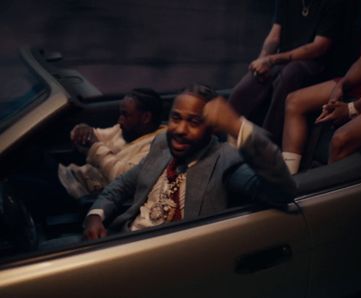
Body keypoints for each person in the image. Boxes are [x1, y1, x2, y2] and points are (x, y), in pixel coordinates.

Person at [83, 84, 296, 239]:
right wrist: (96, 215)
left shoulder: (225, 162)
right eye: (176, 118)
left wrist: (238, 127)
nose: (181, 130)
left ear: (212, 127)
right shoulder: (161, 145)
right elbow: (121, 185)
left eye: (194, 122)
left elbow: (281, 192)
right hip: (124, 239)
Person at [281, 0, 361, 175]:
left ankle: (323, 196)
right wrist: (342, 85)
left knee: (340, 139)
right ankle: (288, 179)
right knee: (294, 101)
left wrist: (353, 108)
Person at [229, 0, 344, 144]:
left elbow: (319, 46)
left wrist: (272, 60)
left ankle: (266, 144)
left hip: (317, 64)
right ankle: (227, 139)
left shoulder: (334, 3)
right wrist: (261, 61)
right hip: (283, 60)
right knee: (245, 87)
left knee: (290, 74)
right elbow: (275, 34)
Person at [58, 88, 166, 199]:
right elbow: (95, 135)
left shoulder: (157, 146)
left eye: (125, 114)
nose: (120, 120)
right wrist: (82, 129)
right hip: (73, 177)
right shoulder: (125, 129)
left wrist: (96, 148)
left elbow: (123, 178)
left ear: (146, 117)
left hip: (85, 195)